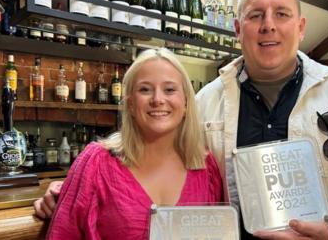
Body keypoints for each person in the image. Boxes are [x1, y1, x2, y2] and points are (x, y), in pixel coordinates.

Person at [36, 0, 328, 240]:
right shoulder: (205, 101)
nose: (268, 26)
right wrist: (70, 191)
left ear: (301, 26)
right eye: (256, 15)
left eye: (281, 14)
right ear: (238, 28)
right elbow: (153, 158)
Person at [42, 48, 223, 239]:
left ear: (186, 102)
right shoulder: (96, 162)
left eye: (169, 89)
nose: (158, 100)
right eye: (145, 89)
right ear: (130, 103)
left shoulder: (206, 167)